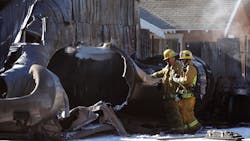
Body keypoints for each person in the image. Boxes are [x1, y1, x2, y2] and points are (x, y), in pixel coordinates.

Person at [151, 49, 184, 132]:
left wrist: (179, 94)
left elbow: (182, 81)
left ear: (172, 58)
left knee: (175, 113)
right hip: (167, 94)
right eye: (166, 60)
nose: (166, 61)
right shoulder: (168, 67)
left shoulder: (178, 67)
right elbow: (161, 72)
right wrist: (151, 76)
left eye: (167, 59)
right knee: (169, 113)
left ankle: (179, 129)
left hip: (174, 95)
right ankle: (173, 128)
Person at [172, 50, 201, 133]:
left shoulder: (191, 68)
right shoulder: (185, 68)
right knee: (182, 113)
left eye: (183, 59)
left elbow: (186, 81)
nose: (181, 61)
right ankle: (186, 129)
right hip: (184, 96)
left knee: (188, 113)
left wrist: (177, 79)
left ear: (187, 59)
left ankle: (196, 127)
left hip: (189, 96)